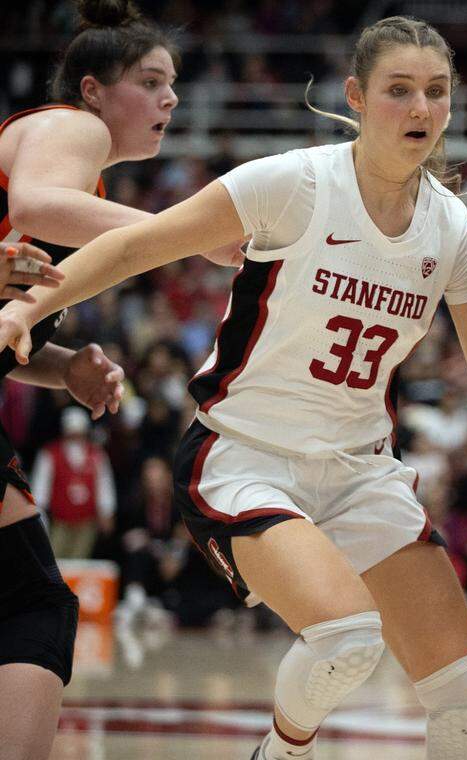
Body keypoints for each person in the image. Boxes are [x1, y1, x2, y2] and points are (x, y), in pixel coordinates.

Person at [0, 15, 467, 760]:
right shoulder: (293, 181)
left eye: (436, 92)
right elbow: (136, 245)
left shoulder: (454, 231)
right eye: (398, 90)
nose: (420, 109)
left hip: (361, 469)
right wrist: (27, 310)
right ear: (356, 95)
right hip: (246, 457)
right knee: (346, 640)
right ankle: (281, 751)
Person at [0, 0, 236, 755]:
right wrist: (189, 232)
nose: (170, 99)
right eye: (151, 80)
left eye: (175, 84)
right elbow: (34, 204)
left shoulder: (85, 199)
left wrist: (65, 366)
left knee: (30, 604)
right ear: (94, 89)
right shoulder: (75, 129)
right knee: (32, 607)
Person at [31, 406, 118, 559]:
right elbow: (40, 487)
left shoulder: (97, 455)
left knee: (80, 562)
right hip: (59, 521)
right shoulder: (50, 454)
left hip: (87, 522)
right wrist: (38, 517)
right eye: (72, 433)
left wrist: (106, 511)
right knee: (55, 559)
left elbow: (104, 484)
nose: (76, 438)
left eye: (79, 434)